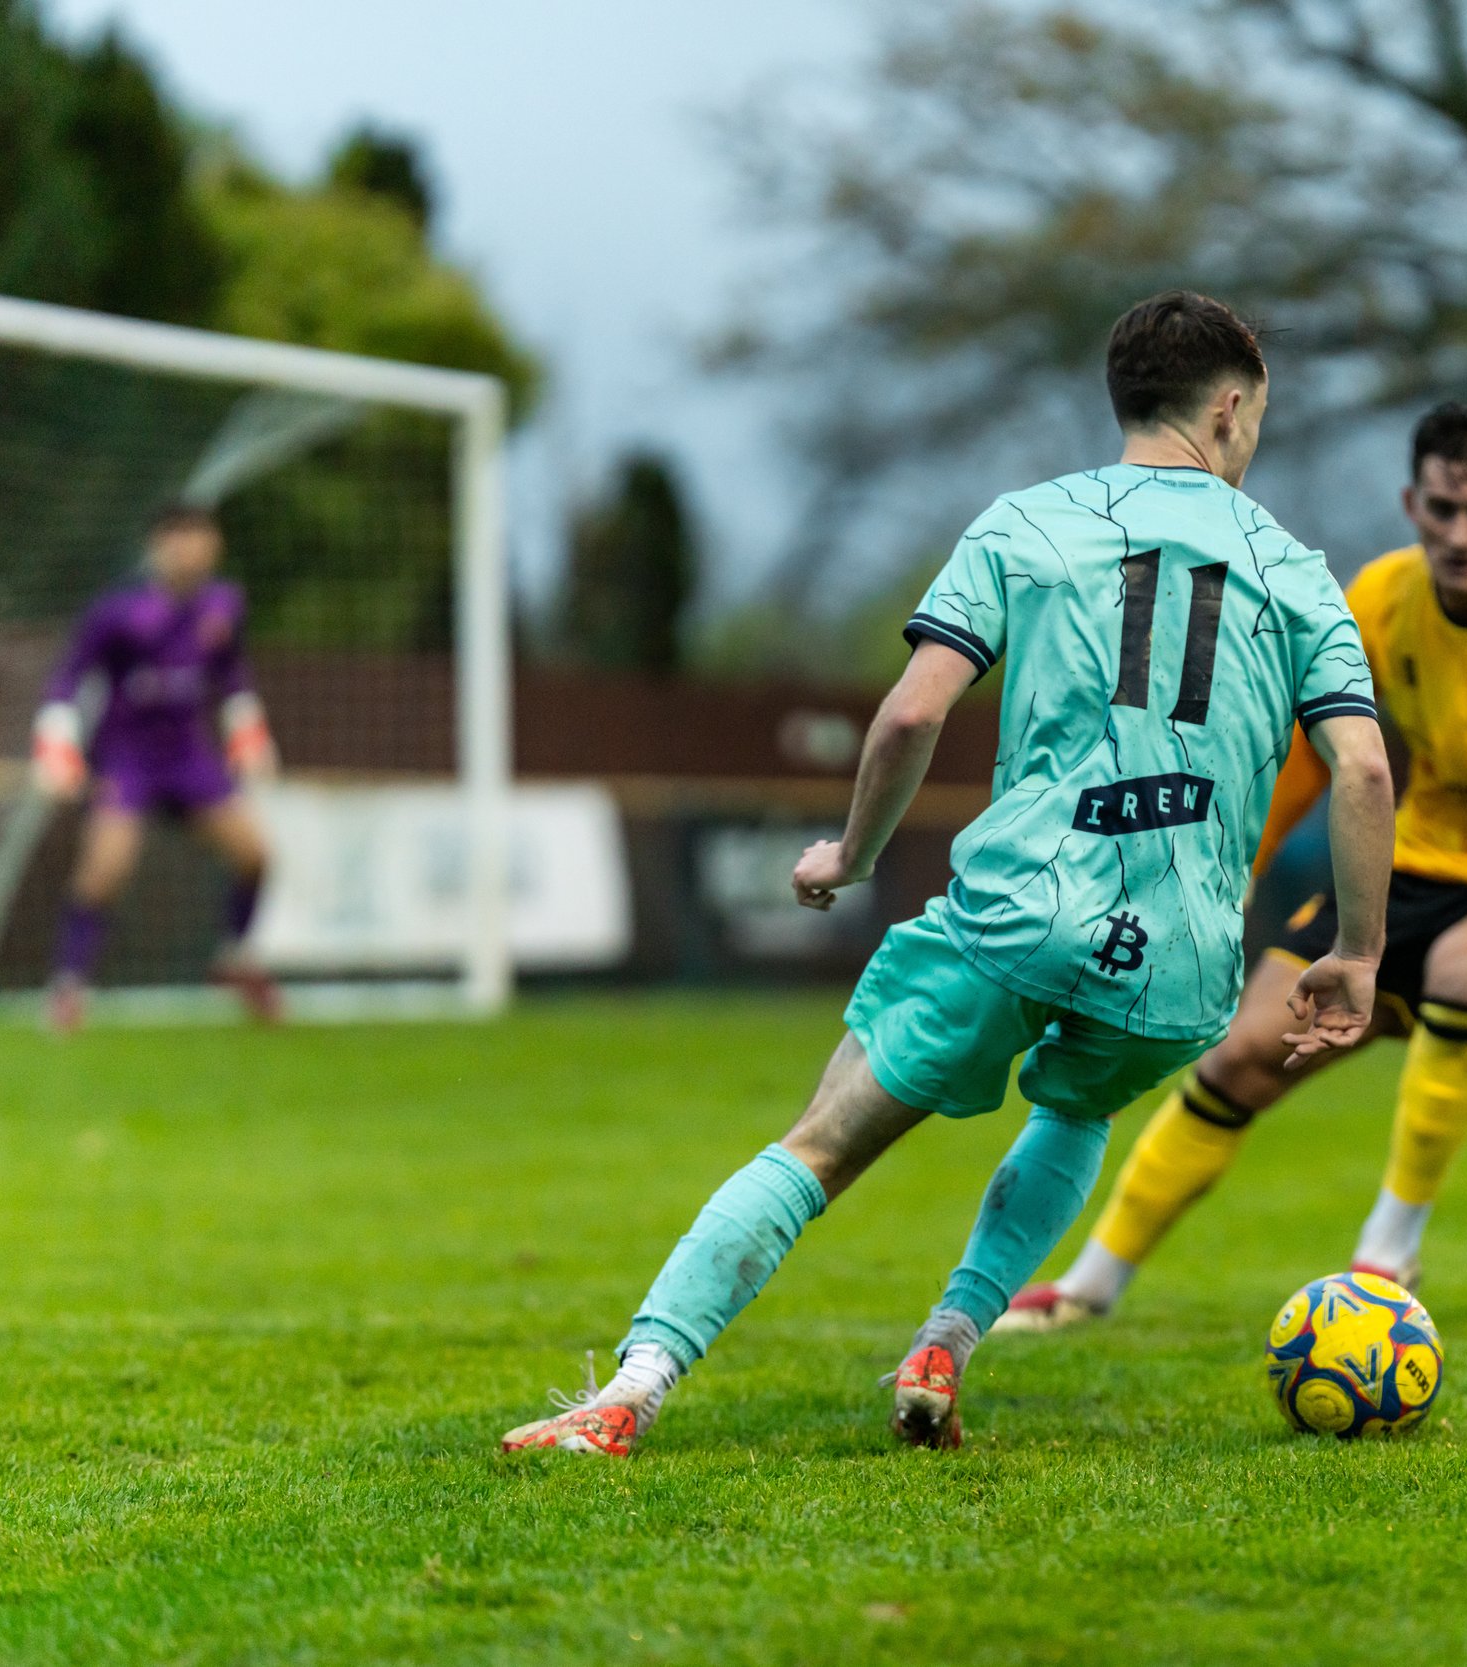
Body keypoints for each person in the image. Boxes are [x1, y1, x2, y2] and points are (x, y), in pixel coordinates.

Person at [499, 291, 1393, 1458]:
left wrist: (851, 853)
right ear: (1230, 408)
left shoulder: (1026, 522)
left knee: (819, 1145)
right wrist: (1358, 954)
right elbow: (1363, 773)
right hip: (1183, 958)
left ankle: (631, 1390)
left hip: (1019, 912)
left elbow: (912, 710)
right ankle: (950, 1335)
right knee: (1075, 1106)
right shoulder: (1295, 569)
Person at [996, 402, 1467, 1332]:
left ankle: (1387, 1253)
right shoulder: (1379, 597)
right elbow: (1309, 751)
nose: (1460, 533)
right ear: (1411, 501)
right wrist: (1236, 868)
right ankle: (1088, 1285)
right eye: (1442, 509)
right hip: (1411, 864)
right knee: (1239, 1057)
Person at [32, 503, 281, 1032]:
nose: (191, 550)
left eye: (201, 538)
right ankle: (68, 987)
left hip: (189, 757)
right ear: (157, 548)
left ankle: (236, 959)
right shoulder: (117, 613)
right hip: (128, 757)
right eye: (179, 538)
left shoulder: (224, 605)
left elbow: (231, 673)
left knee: (256, 857)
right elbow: (69, 676)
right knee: (103, 873)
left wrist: (248, 729)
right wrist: (56, 742)